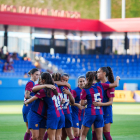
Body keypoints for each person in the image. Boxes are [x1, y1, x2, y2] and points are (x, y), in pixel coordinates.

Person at [80, 71, 120, 140]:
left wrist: (88, 102)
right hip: (100, 113)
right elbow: (114, 85)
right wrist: (117, 78)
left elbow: (82, 103)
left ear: (86, 79)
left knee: (83, 135)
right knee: (100, 137)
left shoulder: (85, 88)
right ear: (95, 77)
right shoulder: (101, 85)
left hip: (90, 113)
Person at [25, 72, 65, 140]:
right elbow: (33, 89)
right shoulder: (40, 87)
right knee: (35, 137)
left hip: (45, 115)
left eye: (40, 78)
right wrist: (45, 85)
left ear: (43, 80)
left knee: (41, 137)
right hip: (35, 114)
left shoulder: (52, 87)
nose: (39, 79)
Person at [92, 67, 116, 140]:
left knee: (106, 133)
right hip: (97, 111)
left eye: (99, 72)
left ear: (104, 73)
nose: (97, 73)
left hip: (106, 111)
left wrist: (100, 104)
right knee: (94, 133)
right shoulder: (97, 84)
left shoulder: (110, 86)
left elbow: (111, 102)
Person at [54, 73, 76, 140]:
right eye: (63, 79)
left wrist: (69, 94)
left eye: (66, 80)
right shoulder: (55, 87)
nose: (65, 82)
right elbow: (52, 82)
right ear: (60, 79)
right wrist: (65, 84)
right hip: (59, 113)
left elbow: (73, 102)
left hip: (66, 113)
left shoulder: (68, 88)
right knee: (58, 135)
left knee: (68, 134)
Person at [22, 68, 40, 140]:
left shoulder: (32, 83)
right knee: (34, 134)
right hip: (29, 108)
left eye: (38, 75)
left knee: (29, 130)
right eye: (36, 75)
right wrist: (37, 97)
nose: (38, 76)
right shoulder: (31, 83)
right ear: (32, 74)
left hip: (27, 107)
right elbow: (27, 95)